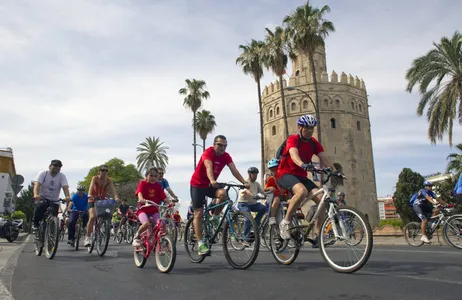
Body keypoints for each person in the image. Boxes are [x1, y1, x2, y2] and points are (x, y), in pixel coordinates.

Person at [276, 115, 336, 248]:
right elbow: (293, 154)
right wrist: (302, 164)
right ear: (300, 128)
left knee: (321, 199)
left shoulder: (313, 142)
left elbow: (323, 157)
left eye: (312, 128)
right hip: (285, 174)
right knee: (301, 191)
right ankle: (285, 223)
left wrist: (334, 170)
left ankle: (317, 233)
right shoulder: (293, 139)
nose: (310, 130)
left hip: (301, 176)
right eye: (307, 128)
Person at [190, 134, 250, 256]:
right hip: (198, 185)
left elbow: (234, 170)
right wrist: (212, 180)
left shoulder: (226, 156)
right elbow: (208, 167)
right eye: (220, 145)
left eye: (225, 146)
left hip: (211, 186)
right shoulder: (208, 153)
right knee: (198, 213)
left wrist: (244, 182)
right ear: (214, 144)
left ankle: (215, 217)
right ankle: (201, 244)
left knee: (223, 194)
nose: (222, 148)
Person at [132, 166, 170, 247]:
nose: (153, 178)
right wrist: (141, 199)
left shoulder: (158, 186)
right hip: (143, 210)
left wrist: (169, 202)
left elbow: (164, 197)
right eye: (151, 175)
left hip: (154, 211)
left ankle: (163, 240)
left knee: (162, 223)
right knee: (146, 224)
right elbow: (139, 192)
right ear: (146, 175)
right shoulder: (142, 183)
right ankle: (137, 236)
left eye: (155, 176)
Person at [84, 164, 120, 247]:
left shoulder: (109, 180)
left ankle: (101, 227)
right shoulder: (95, 178)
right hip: (92, 199)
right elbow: (91, 187)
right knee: (93, 217)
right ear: (99, 171)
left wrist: (116, 197)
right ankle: (88, 237)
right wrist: (89, 194)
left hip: (102, 200)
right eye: (102, 170)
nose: (104, 172)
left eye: (106, 171)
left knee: (106, 215)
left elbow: (113, 189)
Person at [32, 159, 71, 231]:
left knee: (53, 216)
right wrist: (36, 195)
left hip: (54, 200)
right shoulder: (43, 173)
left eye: (59, 166)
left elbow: (65, 187)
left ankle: (52, 234)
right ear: (50, 166)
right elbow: (37, 185)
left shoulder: (61, 176)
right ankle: (35, 224)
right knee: (40, 209)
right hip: (43, 198)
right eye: (55, 165)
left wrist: (67, 196)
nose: (57, 167)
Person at [237, 167, 268, 245]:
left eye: (256, 174)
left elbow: (262, 191)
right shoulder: (245, 182)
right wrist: (253, 195)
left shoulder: (257, 184)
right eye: (254, 174)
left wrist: (267, 195)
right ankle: (246, 239)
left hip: (253, 204)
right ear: (249, 174)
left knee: (264, 208)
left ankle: (255, 225)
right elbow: (246, 191)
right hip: (243, 204)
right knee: (248, 219)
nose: (255, 176)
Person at [265, 158, 290, 225]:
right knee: (277, 200)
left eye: (276, 168)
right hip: (276, 196)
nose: (274, 170)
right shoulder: (271, 178)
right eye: (272, 169)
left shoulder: (284, 177)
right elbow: (265, 189)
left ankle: (291, 216)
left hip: (284, 195)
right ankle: (272, 217)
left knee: (291, 200)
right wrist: (270, 188)